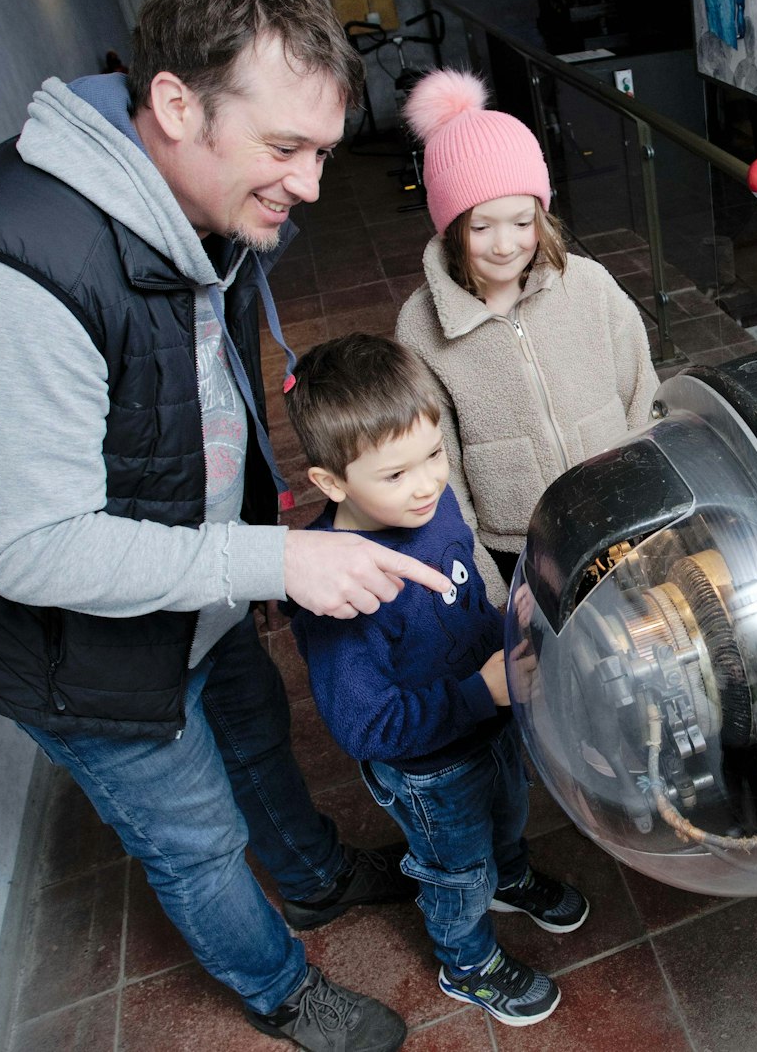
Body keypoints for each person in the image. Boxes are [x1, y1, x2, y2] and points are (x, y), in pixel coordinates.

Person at [0, 0, 446, 1052]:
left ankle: (315, 877)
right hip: (63, 636)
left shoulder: (189, 198)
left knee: (251, 724)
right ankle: (280, 987)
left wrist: (248, 544)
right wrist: (270, 562)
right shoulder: (9, 271)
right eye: (286, 150)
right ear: (176, 105)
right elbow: (33, 552)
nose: (313, 186)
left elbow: (189, 392)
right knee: (193, 834)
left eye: (323, 150)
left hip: (190, 565)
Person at [282, 333, 589, 1028]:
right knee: (456, 867)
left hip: (489, 716)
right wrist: (480, 690)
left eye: (433, 454)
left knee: (509, 809)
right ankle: (466, 959)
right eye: (395, 473)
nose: (425, 483)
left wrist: (502, 644)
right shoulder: (335, 591)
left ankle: (510, 875)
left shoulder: (430, 503)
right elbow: (364, 726)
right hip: (429, 768)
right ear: (332, 483)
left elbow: (459, 589)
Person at [393, 69, 658, 602]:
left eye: (521, 221)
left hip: (621, 517)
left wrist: (646, 504)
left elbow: (643, 396)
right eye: (481, 226)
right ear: (450, 228)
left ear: (541, 212)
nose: (505, 244)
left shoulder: (588, 285)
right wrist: (488, 589)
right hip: (518, 548)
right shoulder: (419, 327)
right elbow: (438, 470)